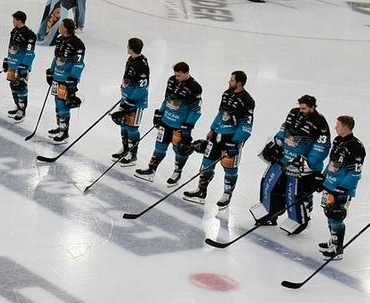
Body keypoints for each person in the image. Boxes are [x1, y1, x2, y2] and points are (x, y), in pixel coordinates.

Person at [256, 94, 329, 230]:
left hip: (300, 166)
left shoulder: (320, 122)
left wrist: (308, 163)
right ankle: (270, 213)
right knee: (269, 184)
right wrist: (276, 143)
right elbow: (284, 129)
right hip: (283, 159)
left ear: (312, 107)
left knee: (295, 193)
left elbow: (321, 147)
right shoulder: (293, 113)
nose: (301, 110)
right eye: (300, 107)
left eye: (304, 108)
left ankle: (301, 218)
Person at [185, 71, 255, 207]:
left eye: (232, 80)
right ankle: (201, 191)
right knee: (206, 163)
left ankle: (227, 194)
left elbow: (246, 125)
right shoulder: (227, 93)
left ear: (239, 83)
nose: (229, 82)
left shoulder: (247, 101)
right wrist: (212, 129)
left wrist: (235, 142)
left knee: (230, 169)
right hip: (217, 136)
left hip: (231, 139)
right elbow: (220, 113)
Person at [138, 62, 204, 183]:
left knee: (180, 150)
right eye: (175, 74)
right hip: (165, 121)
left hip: (179, 126)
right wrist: (159, 114)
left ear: (186, 73)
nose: (176, 77)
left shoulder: (195, 87)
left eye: (179, 75)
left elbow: (196, 111)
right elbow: (166, 99)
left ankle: (177, 172)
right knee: (159, 146)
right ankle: (151, 169)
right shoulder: (172, 80)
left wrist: (188, 126)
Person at [315, 116, 366, 258]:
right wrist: (323, 177)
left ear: (345, 127)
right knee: (329, 213)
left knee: (336, 215)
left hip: (341, 189)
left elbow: (355, 172)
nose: (335, 128)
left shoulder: (356, 146)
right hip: (330, 184)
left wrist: (343, 187)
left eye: (338, 125)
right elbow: (332, 162)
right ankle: (333, 240)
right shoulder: (337, 140)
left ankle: (337, 248)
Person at [44, 17, 86, 141]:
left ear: (66, 28)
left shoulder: (77, 44)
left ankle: (64, 132)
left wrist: (72, 79)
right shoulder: (59, 39)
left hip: (66, 79)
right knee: (57, 103)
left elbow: (79, 63)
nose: (59, 27)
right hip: (57, 76)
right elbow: (56, 57)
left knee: (63, 105)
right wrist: (51, 71)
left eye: (61, 25)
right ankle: (60, 127)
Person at [112, 37, 150, 163]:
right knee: (123, 123)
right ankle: (125, 148)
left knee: (132, 127)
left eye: (128, 46)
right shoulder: (131, 59)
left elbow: (142, 87)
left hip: (136, 102)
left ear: (132, 48)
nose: (127, 47)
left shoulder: (141, 64)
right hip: (126, 98)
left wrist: (131, 100)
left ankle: (132, 154)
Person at [4, 11, 37, 121]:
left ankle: (22, 110)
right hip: (12, 63)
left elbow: (30, 52)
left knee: (21, 86)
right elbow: (11, 47)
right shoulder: (14, 31)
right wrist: (7, 60)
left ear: (19, 20)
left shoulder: (29, 34)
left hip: (22, 66)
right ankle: (17, 105)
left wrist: (24, 65)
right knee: (13, 85)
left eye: (14, 19)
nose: (12, 21)